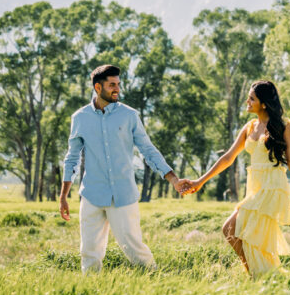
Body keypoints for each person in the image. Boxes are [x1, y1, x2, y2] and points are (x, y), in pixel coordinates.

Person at [59, 64, 191, 273]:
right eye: (112, 85)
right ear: (97, 87)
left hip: (123, 195)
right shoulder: (80, 118)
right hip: (92, 194)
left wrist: (173, 179)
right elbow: (72, 158)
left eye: (118, 84)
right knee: (89, 252)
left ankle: (155, 282)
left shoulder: (129, 115)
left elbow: (148, 150)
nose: (117, 89)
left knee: (134, 248)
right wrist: (64, 195)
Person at [183, 80, 290, 276]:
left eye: (252, 98)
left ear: (264, 103)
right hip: (255, 188)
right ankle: (261, 274)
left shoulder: (284, 126)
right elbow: (228, 157)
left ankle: (256, 274)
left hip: (272, 188)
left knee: (231, 227)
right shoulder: (250, 126)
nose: (247, 101)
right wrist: (199, 181)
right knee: (248, 236)